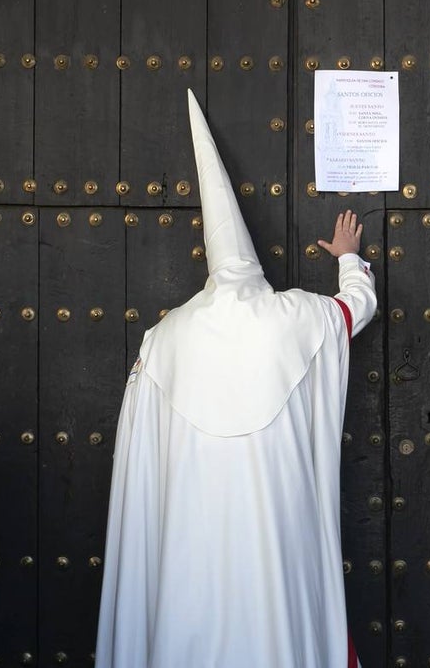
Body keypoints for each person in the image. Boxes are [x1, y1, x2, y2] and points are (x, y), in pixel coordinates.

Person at [95, 91, 377, 667]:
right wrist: (348, 255)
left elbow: (140, 461)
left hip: (188, 551)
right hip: (274, 542)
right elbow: (357, 306)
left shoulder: (165, 340)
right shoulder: (293, 317)